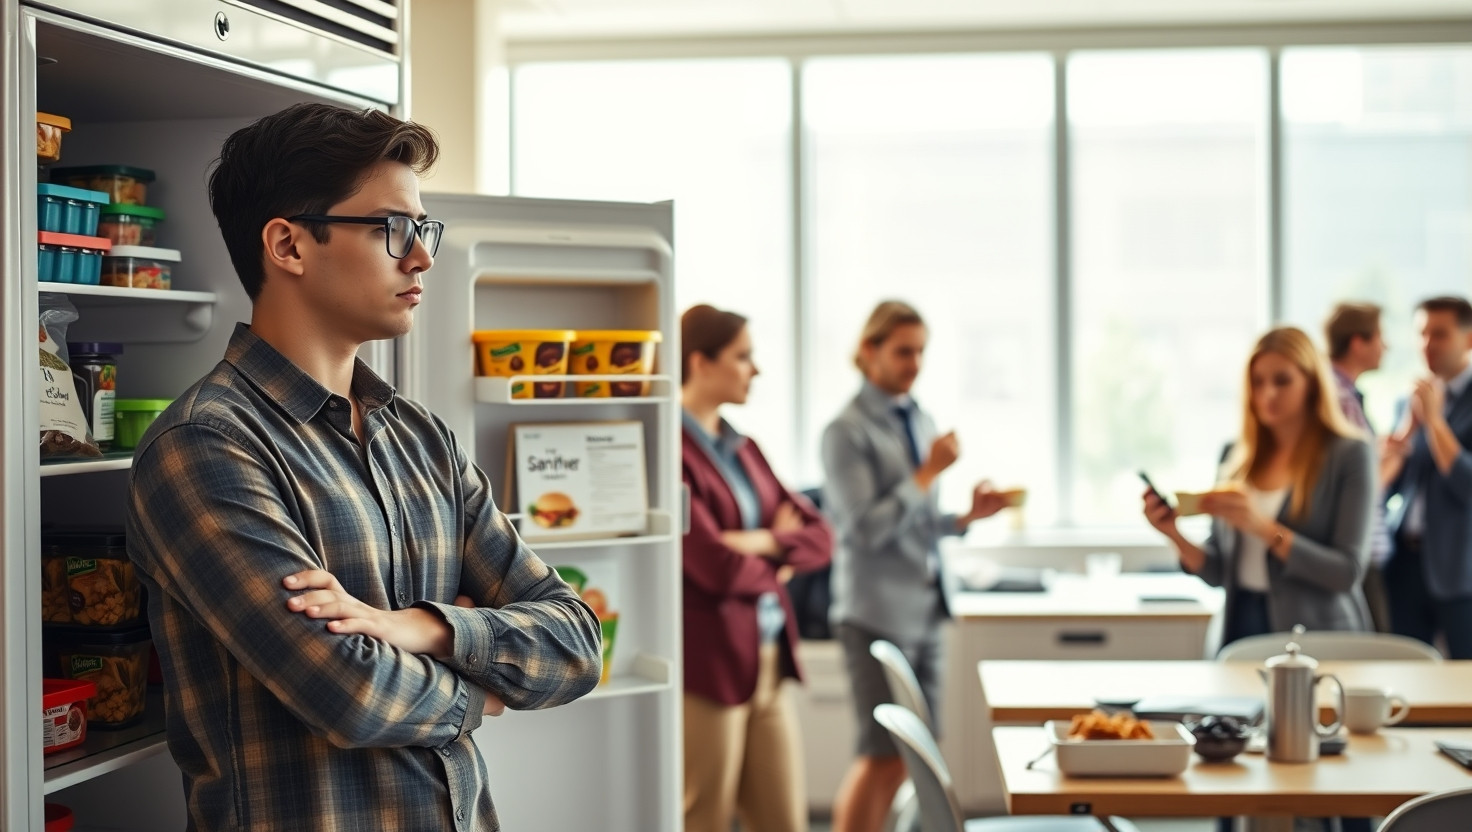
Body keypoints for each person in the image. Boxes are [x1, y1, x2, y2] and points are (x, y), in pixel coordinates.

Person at [125, 103, 602, 831]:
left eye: (423, 229)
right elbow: (351, 692)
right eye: (392, 229)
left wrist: (423, 628)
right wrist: (486, 691)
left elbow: (574, 639)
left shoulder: (423, 440)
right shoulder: (205, 446)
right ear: (288, 245)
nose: (422, 257)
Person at [821, 300, 1008, 832]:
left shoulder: (918, 416)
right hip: (875, 614)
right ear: (868, 351)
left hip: (927, 611)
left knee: (913, 756)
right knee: (879, 755)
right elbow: (863, 528)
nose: (915, 363)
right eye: (903, 351)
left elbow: (916, 522)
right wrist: (927, 474)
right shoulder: (845, 431)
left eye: (921, 351)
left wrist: (966, 516)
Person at [679, 304, 833, 832]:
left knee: (784, 821)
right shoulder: (671, 450)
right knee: (705, 818)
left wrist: (762, 541)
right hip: (711, 665)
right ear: (701, 362)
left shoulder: (744, 448)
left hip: (767, 658)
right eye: (743, 357)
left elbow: (819, 536)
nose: (755, 369)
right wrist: (778, 560)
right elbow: (715, 566)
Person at [1143, 326, 1376, 647]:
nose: (1268, 394)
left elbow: (1346, 572)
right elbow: (1217, 572)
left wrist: (1263, 528)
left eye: (1282, 380)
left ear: (1311, 383)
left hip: (1317, 635)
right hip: (1240, 627)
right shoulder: (1235, 457)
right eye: (1258, 382)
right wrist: (1174, 534)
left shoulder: (1350, 454)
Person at [1383, 296, 1472, 659]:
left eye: (1439, 334)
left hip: (1459, 567)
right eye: (1421, 334)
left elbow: (1467, 485)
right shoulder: (1410, 401)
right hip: (1404, 560)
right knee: (1405, 668)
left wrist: (1435, 422)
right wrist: (1405, 433)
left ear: (1467, 339)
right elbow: (1389, 485)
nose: (1427, 345)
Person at [1324, 301, 1394, 632]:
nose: (1387, 346)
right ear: (1357, 342)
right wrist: (1401, 453)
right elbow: (1363, 486)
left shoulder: (1341, 395)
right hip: (1356, 556)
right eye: (1380, 336)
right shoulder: (1339, 399)